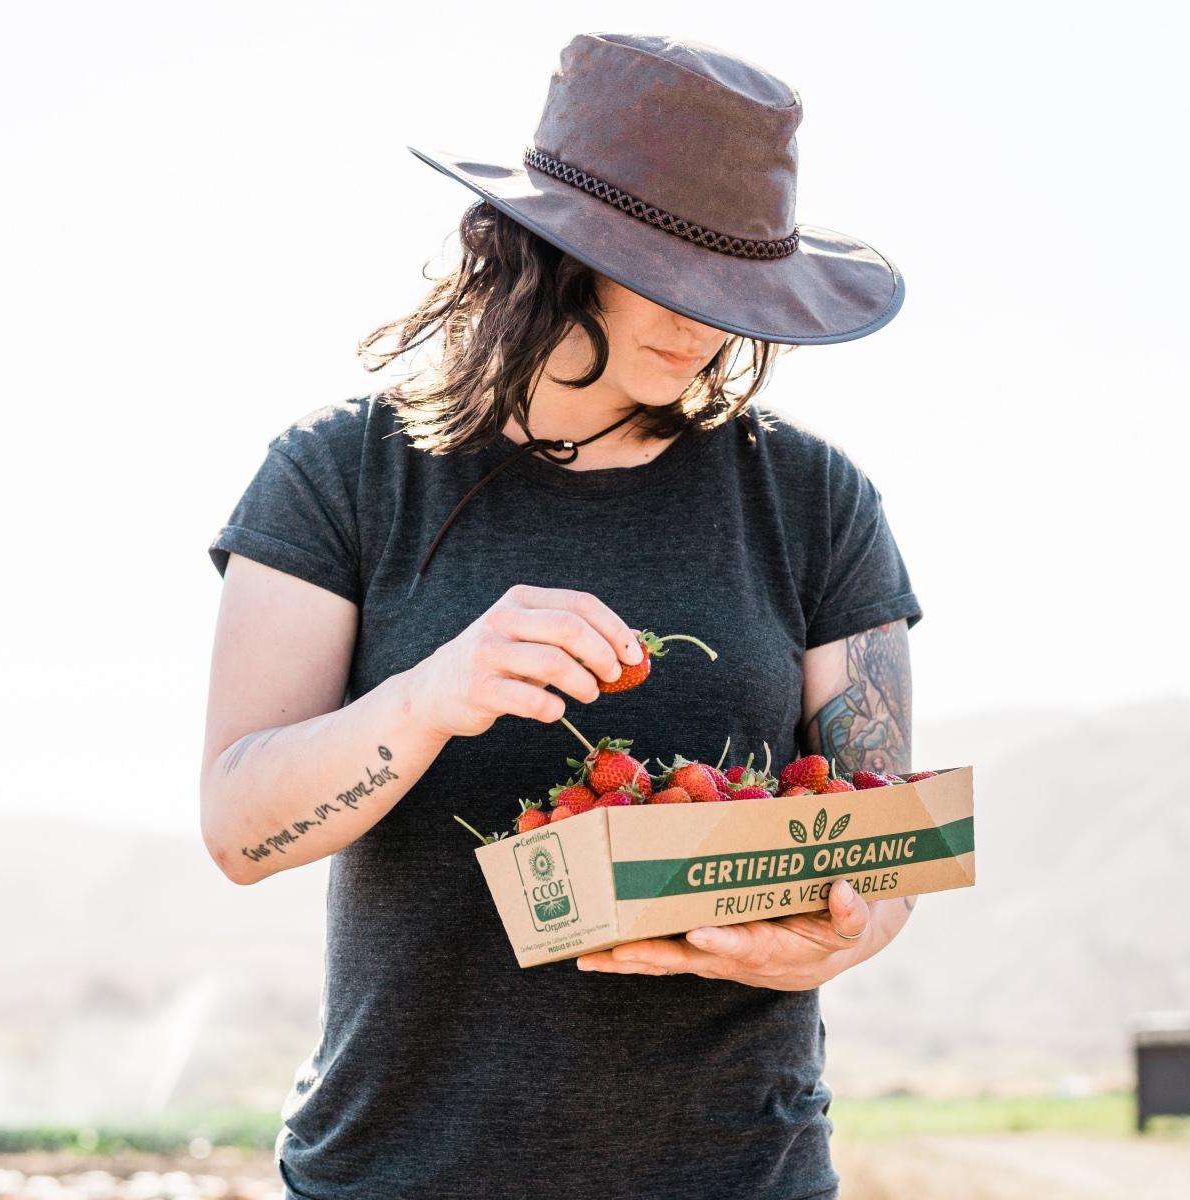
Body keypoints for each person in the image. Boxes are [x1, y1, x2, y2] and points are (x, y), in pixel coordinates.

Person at [201, 32, 924, 1200]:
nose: (708, 321)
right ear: (545, 248)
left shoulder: (812, 500)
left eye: (737, 285)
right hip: (401, 1173)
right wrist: (433, 695)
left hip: (742, 1174)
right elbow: (240, 828)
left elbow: (877, 837)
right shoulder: (342, 475)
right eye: (668, 270)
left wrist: (848, 926)